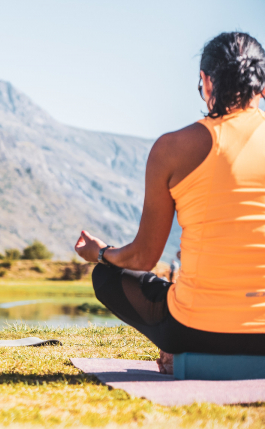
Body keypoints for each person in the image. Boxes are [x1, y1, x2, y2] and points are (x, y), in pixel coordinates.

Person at [74, 32, 265, 373]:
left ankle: (182, 354)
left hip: (195, 331)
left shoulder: (173, 148)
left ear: (207, 82)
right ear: (261, 86)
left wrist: (100, 253)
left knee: (106, 277)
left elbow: (143, 258)